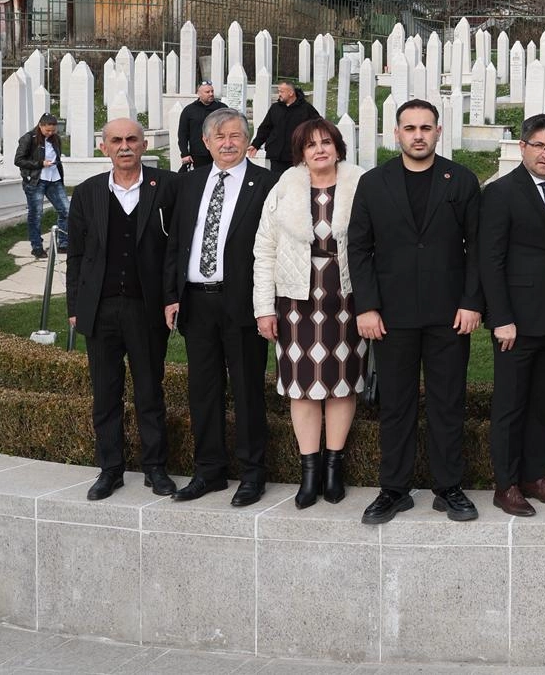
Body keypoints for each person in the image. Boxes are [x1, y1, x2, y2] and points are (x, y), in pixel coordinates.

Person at [348, 98, 484, 525]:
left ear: (438, 132)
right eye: (410, 128)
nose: (418, 135)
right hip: (392, 316)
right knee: (396, 405)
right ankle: (394, 489)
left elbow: (478, 247)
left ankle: (449, 488)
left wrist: (472, 302)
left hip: (450, 315)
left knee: (448, 403)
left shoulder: (461, 180)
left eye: (426, 127)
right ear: (397, 133)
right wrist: (367, 306)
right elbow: (359, 249)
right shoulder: (374, 183)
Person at [165, 108, 277, 506]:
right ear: (206, 142)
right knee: (203, 390)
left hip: (243, 302)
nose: (228, 143)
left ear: (247, 141)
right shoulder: (190, 182)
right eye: (220, 137)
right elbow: (177, 242)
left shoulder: (267, 184)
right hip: (197, 302)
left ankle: (252, 474)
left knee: (247, 390)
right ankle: (209, 471)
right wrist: (172, 295)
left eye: (235, 136)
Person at [253, 118, 366, 509]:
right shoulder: (284, 188)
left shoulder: (360, 185)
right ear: (301, 152)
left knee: (342, 384)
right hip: (296, 302)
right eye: (311, 144)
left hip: (347, 300)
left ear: (338, 147)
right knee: (302, 388)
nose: (320, 149)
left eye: (326, 142)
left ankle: (334, 469)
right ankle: (310, 472)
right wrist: (264, 308)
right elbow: (265, 249)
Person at [65, 119, 176, 501]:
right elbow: (76, 254)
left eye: (131, 139)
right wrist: (75, 306)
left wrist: (171, 297)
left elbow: (175, 248)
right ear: (104, 147)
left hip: (146, 308)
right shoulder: (88, 192)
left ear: (144, 145)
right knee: (105, 393)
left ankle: (155, 468)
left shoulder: (167, 186)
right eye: (116, 140)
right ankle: (110, 469)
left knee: (149, 391)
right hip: (100, 309)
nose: (124, 146)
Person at [480, 113, 545, 517]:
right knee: (510, 406)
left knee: (543, 405)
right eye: (539, 146)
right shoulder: (500, 193)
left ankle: (536, 477)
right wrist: (500, 317)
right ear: (522, 147)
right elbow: (490, 260)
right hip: (515, 322)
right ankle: (506, 484)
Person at [15, 113, 69, 259]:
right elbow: (18, 160)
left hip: (54, 179)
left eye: (53, 130)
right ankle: (37, 246)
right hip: (35, 181)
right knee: (36, 214)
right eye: (47, 130)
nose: (50, 133)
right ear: (40, 126)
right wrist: (40, 163)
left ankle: (63, 243)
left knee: (66, 210)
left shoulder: (55, 139)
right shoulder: (28, 138)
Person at [250, 81, 320, 175]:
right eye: (278, 91)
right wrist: (256, 144)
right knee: (277, 181)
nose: (279, 94)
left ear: (291, 93)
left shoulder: (306, 109)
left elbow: (318, 127)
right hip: (276, 156)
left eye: (282, 91)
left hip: (296, 156)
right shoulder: (275, 108)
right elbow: (265, 128)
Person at [177, 82, 227, 170]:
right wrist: (184, 154)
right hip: (198, 154)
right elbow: (183, 134)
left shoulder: (222, 109)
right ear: (199, 93)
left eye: (212, 91)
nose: (211, 94)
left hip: (219, 151)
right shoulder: (189, 110)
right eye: (207, 92)